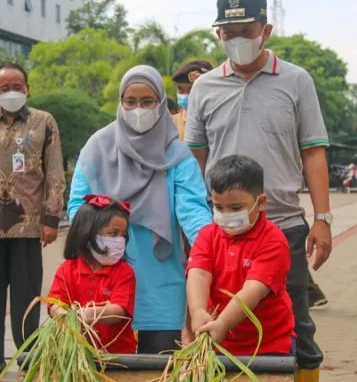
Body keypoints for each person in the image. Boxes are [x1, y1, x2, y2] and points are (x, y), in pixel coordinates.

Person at [185, 0, 331, 381]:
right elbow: (195, 157)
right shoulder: (205, 88)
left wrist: (323, 219)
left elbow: (313, 152)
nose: (236, 39)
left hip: (281, 222)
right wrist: (204, 218)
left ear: (265, 30)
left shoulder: (296, 80)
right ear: (218, 35)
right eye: (227, 32)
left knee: (297, 323)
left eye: (245, 31)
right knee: (221, 315)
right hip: (223, 227)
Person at [68, 65, 212, 354]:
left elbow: (194, 213)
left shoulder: (177, 156)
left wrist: (213, 250)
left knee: (159, 368)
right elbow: (76, 207)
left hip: (159, 286)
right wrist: (99, 236)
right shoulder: (97, 147)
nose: (138, 109)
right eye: (130, 101)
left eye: (147, 101)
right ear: (120, 103)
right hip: (101, 288)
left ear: (161, 104)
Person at [0, 63, 66, 380]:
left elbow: (55, 174)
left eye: (17, 85)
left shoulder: (43, 122)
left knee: (25, 296)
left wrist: (50, 218)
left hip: (29, 226)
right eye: (4, 87)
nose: (11, 91)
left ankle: (27, 355)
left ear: (27, 88)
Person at [187, 155, 295, 356]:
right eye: (219, 207)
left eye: (236, 208)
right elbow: (198, 274)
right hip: (218, 345)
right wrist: (197, 311)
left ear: (261, 202)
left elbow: (252, 291)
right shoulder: (207, 235)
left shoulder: (273, 241)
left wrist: (224, 323)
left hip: (268, 347)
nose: (226, 214)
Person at [48, 194, 137, 354]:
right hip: (76, 352)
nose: (119, 240)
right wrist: (67, 318)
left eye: (123, 235)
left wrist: (87, 314)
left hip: (117, 356)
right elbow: (54, 304)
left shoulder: (124, 272)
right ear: (87, 233)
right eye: (113, 233)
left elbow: (119, 310)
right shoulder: (67, 270)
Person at [171, 60, 213, 141]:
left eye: (192, 89)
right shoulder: (171, 124)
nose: (185, 95)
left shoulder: (221, 119)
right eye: (180, 89)